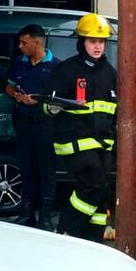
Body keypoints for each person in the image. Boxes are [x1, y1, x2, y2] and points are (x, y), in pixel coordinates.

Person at [44, 13, 117, 242]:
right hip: (75, 141)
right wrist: (53, 108)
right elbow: (47, 105)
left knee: (102, 190)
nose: (98, 46)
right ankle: (67, 230)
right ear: (82, 42)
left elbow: (115, 111)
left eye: (101, 41)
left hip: (103, 144)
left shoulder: (110, 74)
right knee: (93, 182)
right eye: (92, 41)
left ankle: (92, 239)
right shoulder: (66, 70)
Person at [5, 24, 60, 229]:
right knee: (26, 169)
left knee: (46, 172)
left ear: (37, 43)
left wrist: (38, 100)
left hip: (46, 126)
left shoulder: (56, 67)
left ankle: (45, 217)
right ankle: (26, 213)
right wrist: (16, 95)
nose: (20, 46)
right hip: (23, 125)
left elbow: (61, 99)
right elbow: (8, 86)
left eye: (24, 42)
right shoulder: (19, 64)